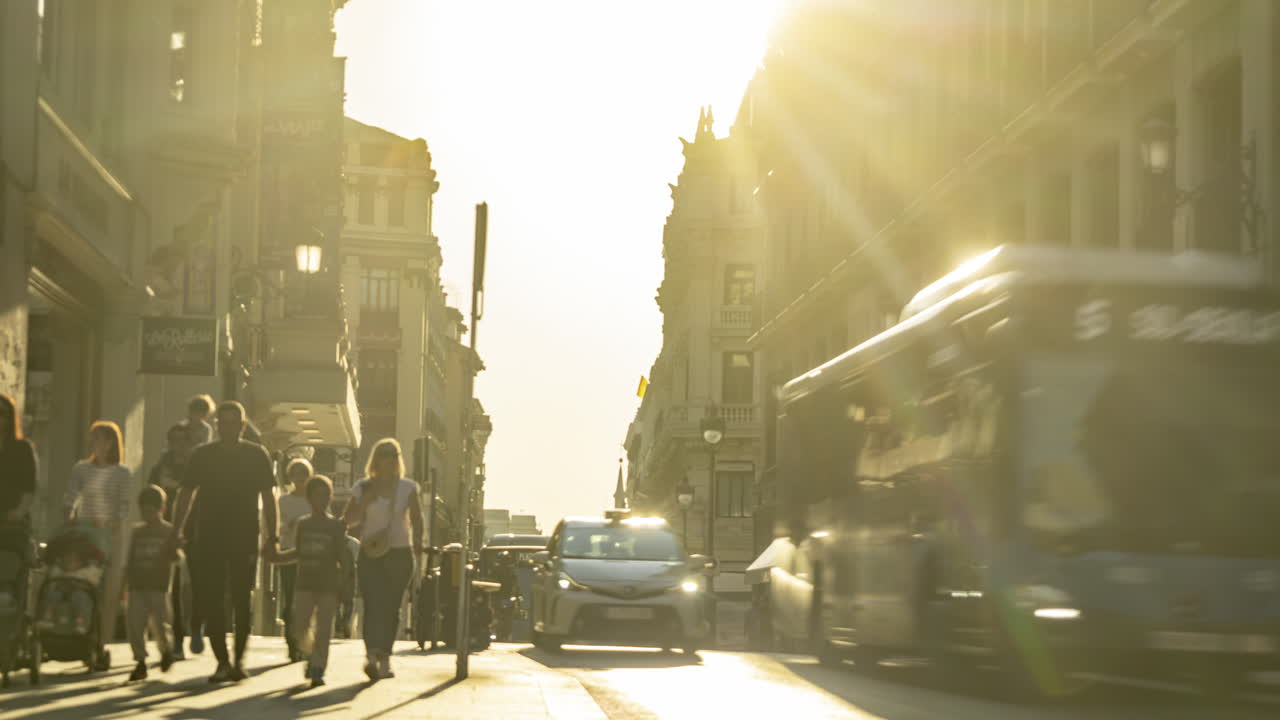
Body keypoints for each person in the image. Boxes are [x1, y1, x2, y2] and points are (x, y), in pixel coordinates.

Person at [173, 401, 278, 683]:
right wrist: (176, 531)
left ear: (243, 426)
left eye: (234, 422)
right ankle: (221, 661)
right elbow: (186, 494)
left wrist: (273, 538)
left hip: (244, 536)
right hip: (209, 537)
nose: (228, 427)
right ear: (216, 425)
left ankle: (239, 660)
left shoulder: (257, 455)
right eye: (223, 422)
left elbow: (269, 498)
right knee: (213, 599)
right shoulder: (202, 455)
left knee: (242, 599)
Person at [344, 438, 423, 680]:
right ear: (375, 458)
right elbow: (349, 520)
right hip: (371, 554)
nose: (389, 459)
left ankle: (385, 657)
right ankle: (371, 656)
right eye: (384, 454)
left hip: (399, 553)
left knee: (391, 607)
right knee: (371, 605)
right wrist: (365, 501)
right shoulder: (363, 487)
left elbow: (417, 520)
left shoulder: (408, 488)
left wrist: (419, 545)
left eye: (393, 454)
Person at [269, 475, 351, 688]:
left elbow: (343, 558)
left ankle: (317, 668)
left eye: (325, 495)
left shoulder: (335, 527)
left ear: (330, 498)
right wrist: (278, 556)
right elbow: (299, 552)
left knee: (324, 630)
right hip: (304, 583)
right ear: (309, 498)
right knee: (299, 627)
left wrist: (344, 587)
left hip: (328, 586)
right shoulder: (303, 524)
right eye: (317, 495)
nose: (321, 500)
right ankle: (309, 654)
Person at [64, 420, 133, 646]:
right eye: (92, 438)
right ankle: (77, 630)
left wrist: (112, 523)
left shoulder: (123, 473)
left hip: (111, 536)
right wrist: (68, 516)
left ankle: (102, 641)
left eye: (98, 438)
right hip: (86, 534)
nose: (93, 443)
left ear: (110, 443)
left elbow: (124, 505)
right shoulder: (81, 468)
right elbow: (71, 496)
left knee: (109, 592)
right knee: (80, 582)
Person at [149, 423, 198, 659]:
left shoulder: (198, 467)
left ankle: (194, 625)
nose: (178, 445)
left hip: (193, 533)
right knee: (172, 587)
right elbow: (149, 497)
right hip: (165, 534)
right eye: (174, 440)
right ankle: (176, 637)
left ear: (190, 443)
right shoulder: (160, 468)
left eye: (183, 440)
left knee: (193, 585)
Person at [126, 485, 178, 681]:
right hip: (137, 585)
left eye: (151, 511)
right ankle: (140, 661)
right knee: (135, 624)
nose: (147, 515)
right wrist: (126, 582)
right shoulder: (137, 532)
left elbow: (175, 557)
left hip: (159, 586)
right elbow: (130, 558)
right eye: (144, 511)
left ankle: (166, 651)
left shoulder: (168, 531)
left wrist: (177, 549)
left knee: (161, 624)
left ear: (161, 509)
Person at [277, 458, 315, 663]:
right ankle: (293, 644)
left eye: (304, 474)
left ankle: (303, 640)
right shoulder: (283, 501)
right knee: (291, 598)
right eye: (296, 474)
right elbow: (276, 526)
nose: (299, 478)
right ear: (290, 477)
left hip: (311, 556)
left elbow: (322, 521)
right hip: (289, 553)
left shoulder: (313, 501)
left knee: (307, 599)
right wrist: (287, 526)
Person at [0, 395, 37, 530]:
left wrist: (19, 512)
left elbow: (29, 485)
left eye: (2, 413)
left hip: (12, 520)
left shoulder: (22, 448)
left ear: (9, 417)